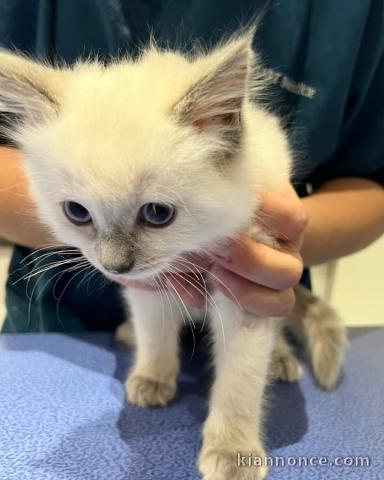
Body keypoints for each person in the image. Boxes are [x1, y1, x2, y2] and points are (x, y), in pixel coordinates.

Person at [0, 0, 383, 333]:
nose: (114, 261)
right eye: (77, 210)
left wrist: (258, 246)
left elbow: (370, 180)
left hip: (261, 292)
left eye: (157, 211)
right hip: (62, 327)